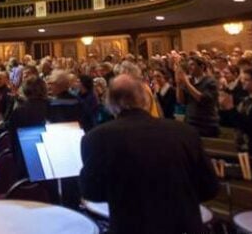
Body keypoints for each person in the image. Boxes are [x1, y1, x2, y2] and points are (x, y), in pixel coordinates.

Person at [80, 75, 219, 234]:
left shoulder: (96, 138)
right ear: (145, 100)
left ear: (109, 103)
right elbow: (210, 188)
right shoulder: (186, 132)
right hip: (184, 227)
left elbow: (91, 192)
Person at [176, 56, 220, 137]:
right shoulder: (190, 81)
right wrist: (179, 85)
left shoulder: (210, 81)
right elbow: (181, 101)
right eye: (189, 65)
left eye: (192, 65)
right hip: (190, 122)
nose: (189, 67)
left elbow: (202, 99)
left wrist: (186, 82)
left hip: (206, 125)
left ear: (202, 66)